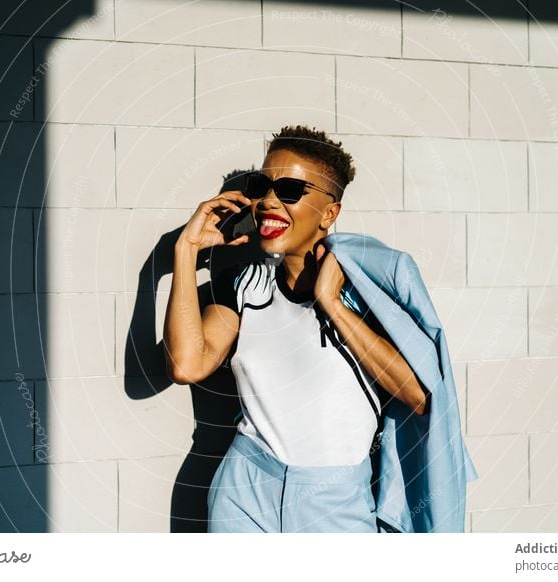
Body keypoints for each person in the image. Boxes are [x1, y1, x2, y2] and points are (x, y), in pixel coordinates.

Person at [163, 125, 429, 533]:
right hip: (245, 492)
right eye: (262, 186)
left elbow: (419, 396)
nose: (269, 202)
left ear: (329, 213)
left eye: (289, 190)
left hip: (335, 502)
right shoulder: (244, 285)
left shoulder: (369, 288)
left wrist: (332, 305)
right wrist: (185, 250)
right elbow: (186, 365)